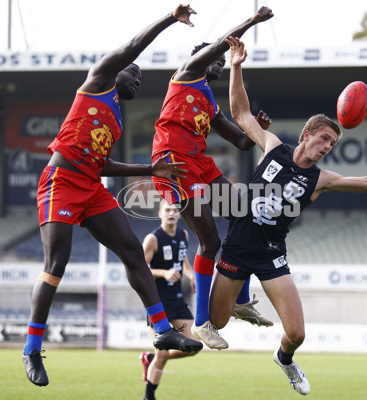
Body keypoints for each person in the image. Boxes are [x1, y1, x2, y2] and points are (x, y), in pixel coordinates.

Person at [207, 37, 367, 395]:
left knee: (297, 333)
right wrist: (235, 64)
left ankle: (284, 359)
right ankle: (237, 303)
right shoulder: (274, 147)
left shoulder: (322, 180)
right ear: (307, 135)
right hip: (236, 249)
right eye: (324, 139)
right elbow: (241, 113)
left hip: (271, 256)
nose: (327, 147)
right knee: (216, 323)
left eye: (333, 144)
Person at [22, 4, 204, 387]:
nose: (137, 78)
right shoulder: (97, 82)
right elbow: (133, 46)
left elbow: (103, 166)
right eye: (133, 72)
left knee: (133, 251)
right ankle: (32, 348)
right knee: (57, 261)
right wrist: (171, 19)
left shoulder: (117, 118)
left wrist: (148, 170)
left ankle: (161, 328)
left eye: (140, 77)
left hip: (90, 186)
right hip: (61, 180)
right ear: (116, 69)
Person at [151, 6, 275, 350]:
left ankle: (239, 299)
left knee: (248, 215)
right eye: (216, 60)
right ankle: (203, 322)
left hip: (200, 162)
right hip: (175, 163)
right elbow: (220, 45)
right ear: (200, 59)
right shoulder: (185, 75)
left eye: (222, 62)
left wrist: (256, 129)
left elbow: (237, 139)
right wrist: (251, 21)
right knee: (210, 243)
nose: (219, 64)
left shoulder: (207, 98)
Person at [139, 199, 198, 400]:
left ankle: (150, 358)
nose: (171, 213)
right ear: (160, 213)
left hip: (178, 300)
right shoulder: (152, 239)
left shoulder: (183, 235)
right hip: (157, 303)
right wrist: (163, 273)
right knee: (163, 355)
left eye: (174, 210)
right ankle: (149, 396)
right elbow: (140, 270)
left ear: (179, 213)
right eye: (167, 210)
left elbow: (184, 263)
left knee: (193, 345)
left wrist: (191, 276)